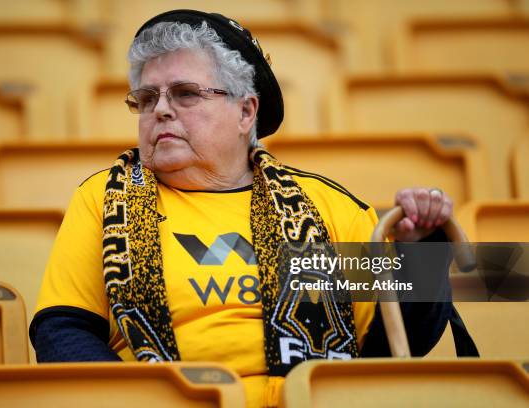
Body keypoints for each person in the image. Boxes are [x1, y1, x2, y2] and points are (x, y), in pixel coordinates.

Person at [30, 10, 454, 408]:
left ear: (245, 111)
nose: (159, 109)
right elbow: (62, 331)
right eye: (145, 99)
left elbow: (400, 343)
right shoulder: (103, 198)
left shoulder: (327, 205)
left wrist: (423, 249)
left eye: (185, 93)